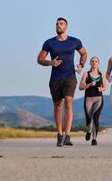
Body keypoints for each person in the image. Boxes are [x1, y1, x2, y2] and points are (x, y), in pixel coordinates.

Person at [37, 17, 87, 147]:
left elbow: (84, 53)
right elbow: (40, 59)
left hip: (70, 77)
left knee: (69, 102)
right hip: (55, 78)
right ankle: (59, 135)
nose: (58, 25)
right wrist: (51, 62)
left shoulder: (74, 41)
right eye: (57, 24)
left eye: (61, 24)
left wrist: (81, 65)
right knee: (58, 105)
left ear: (66, 26)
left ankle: (67, 135)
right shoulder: (49, 43)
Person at [79, 56, 106, 146]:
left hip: (98, 99)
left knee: (95, 118)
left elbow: (104, 87)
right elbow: (80, 87)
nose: (94, 62)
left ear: (98, 63)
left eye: (96, 61)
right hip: (88, 99)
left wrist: (101, 89)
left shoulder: (101, 75)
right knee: (89, 120)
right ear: (90, 63)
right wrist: (89, 84)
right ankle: (89, 130)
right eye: (92, 61)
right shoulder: (86, 74)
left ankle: (94, 139)